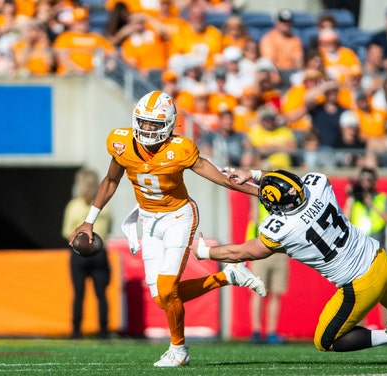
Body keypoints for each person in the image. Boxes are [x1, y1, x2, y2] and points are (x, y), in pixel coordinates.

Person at [193, 168, 387, 365]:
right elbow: (288, 183)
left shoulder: (281, 227)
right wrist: (256, 175)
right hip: (379, 258)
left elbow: (242, 251)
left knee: (325, 340)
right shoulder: (318, 185)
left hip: (359, 283)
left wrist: (205, 251)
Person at [68, 90, 267, 367]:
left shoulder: (181, 149)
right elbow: (111, 181)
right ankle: (227, 277)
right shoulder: (121, 142)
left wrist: (261, 193)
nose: (148, 129)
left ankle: (178, 350)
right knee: (163, 297)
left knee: (166, 288)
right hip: (147, 220)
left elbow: (222, 178)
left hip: (178, 217)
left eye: (155, 123)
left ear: (171, 124)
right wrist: (89, 219)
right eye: (144, 122)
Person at [62, 167, 113, 340]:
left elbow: (67, 231)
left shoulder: (74, 206)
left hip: (79, 255)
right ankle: (104, 332)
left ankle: (76, 332)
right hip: (99, 252)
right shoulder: (104, 207)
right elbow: (109, 229)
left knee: (78, 294)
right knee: (101, 295)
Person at [246, 200, 288, 345]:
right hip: (260, 247)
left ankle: (271, 332)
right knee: (258, 292)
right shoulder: (260, 197)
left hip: (280, 249)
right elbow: (254, 217)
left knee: (276, 293)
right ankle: (256, 331)